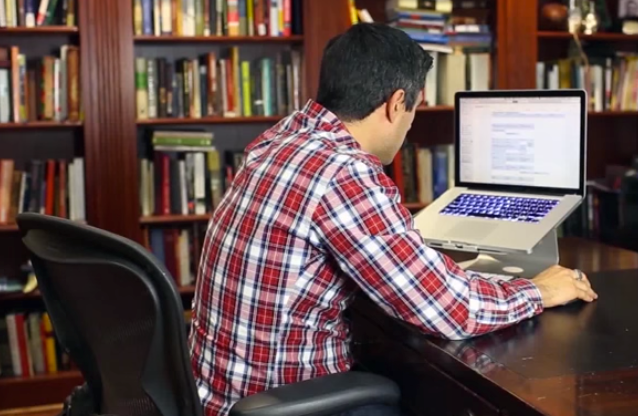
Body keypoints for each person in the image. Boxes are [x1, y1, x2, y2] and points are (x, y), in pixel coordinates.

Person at [188, 23, 598, 416]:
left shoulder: (283, 140)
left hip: (221, 394)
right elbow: (449, 310)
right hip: (286, 400)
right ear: (395, 103)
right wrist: (539, 291)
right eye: (413, 109)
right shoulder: (343, 172)